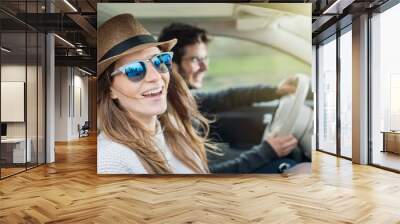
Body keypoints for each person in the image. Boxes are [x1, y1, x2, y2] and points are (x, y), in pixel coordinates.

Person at [158, 23, 301, 173]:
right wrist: (265, 152)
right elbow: (204, 175)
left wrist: (275, 91)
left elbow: (226, 97)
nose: (205, 67)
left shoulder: (183, 98)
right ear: (171, 65)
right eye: (195, 60)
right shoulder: (164, 113)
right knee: (293, 166)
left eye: (205, 58)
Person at [97, 14, 213, 174]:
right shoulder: (110, 160)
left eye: (160, 61)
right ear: (110, 89)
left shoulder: (174, 128)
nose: (156, 76)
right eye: (134, 70)